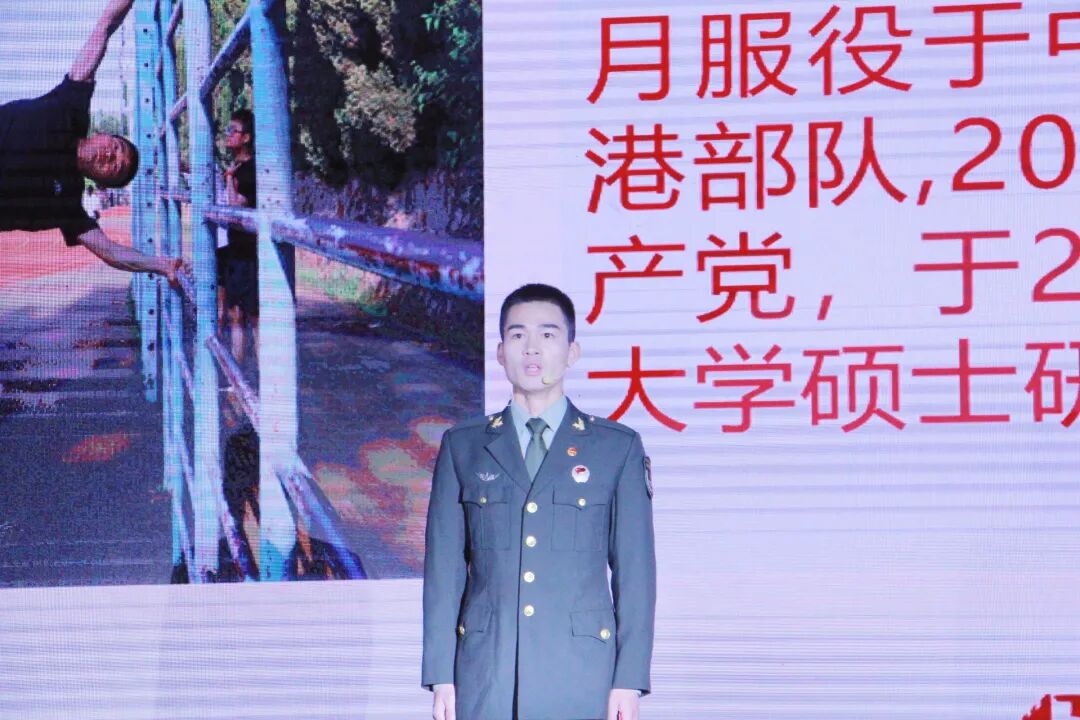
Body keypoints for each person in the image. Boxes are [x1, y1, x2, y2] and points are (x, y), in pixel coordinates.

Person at [422, 283, 656, 720]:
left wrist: (629, 679)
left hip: (582, 673)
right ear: (500, 352)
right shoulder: (464, 445)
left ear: (571, 352)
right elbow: (444, 571)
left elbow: (635, 573)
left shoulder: (615, 448)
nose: (532, 348)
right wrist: (441, 675)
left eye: (548, 335)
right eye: (517, 335)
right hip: (487, 672)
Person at [0, 0, 179, 285]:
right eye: (116, 147)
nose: (110, 156)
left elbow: (111, 252)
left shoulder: (68, 203)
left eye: (116, 167)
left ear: (103, 183)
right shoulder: (69, 107)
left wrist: (160, 265)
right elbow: (105, 26)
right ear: (103, 134)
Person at [217, 109, 258, 362]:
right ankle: (237, 374)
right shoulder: (237, 168)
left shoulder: (251, 170)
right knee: (235, 315)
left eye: (233, 130)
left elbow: (236, 209)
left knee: (254, 317)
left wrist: (230, 178)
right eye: (227, 129)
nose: (228, 134)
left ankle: (265, 378)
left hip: (251, 253)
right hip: (235, 251)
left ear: (246, 138)